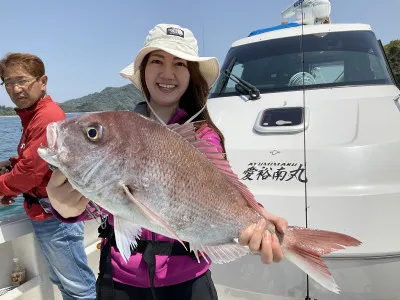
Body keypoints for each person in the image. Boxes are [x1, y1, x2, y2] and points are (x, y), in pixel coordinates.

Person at [46, 24, 288, 300]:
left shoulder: (203, 136)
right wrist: (63, 206)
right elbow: (98, 204)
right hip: (120, 282)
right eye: (157, 61)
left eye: (179, 64)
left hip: (188, 283)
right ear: (144, 71)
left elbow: (223, 188)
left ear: (190, 74)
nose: (167, 73)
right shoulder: (122, 131)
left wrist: (258, 217)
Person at [0, 52, 97, 300]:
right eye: (8, 82)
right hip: (46, 213)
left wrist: (5, 187)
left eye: (22, 80)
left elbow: (30, 173)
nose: (16, 88)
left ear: (43, 81)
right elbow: (32, 161)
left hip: (56, 219)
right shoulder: (34, 115)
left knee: (78, 288)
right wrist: (10, 169)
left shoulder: (47, 117)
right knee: (63, 283)